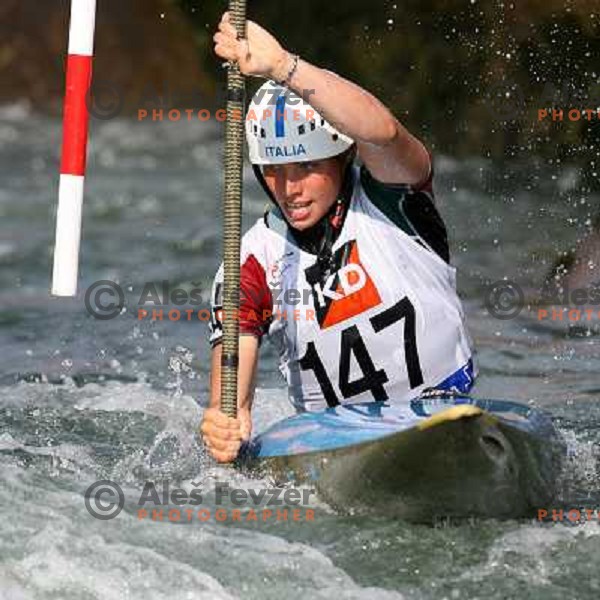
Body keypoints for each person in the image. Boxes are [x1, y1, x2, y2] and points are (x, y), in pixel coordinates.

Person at [201, 12, 476, 463]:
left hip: (444, 413)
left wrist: (281, 66)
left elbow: (383, 131)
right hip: (338, 451)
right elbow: (231, 401)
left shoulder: (396, 200)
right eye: (274, 171)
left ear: (342, 155)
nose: (290, 189)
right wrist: (224, 425)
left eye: (307, 167)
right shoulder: (250, 261)